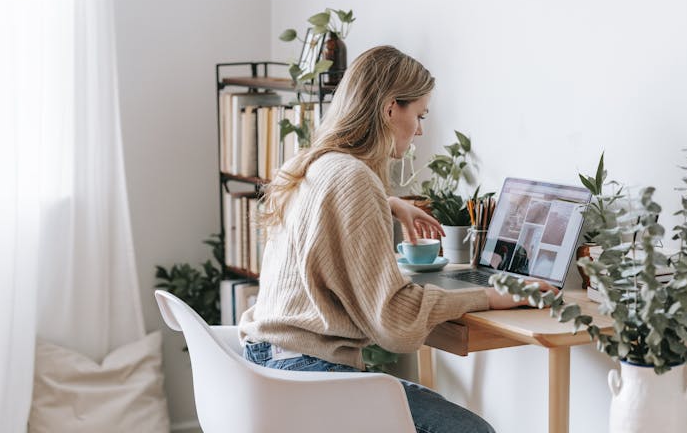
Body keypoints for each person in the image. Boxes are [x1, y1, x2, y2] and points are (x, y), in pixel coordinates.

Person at [238, 46, 555, 433]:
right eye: (418, 115)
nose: (420, 129)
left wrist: (389, 203)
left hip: (267, 363)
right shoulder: (354, 179)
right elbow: (395, 322)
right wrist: (490, 296)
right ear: (390, 109)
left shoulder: (308, 163)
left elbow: (326, 209)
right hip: (307, 374)